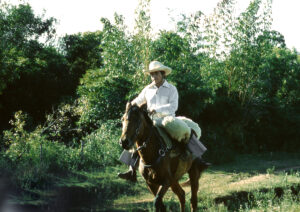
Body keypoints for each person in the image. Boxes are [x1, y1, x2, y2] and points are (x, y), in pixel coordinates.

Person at [118, 61, 210, 182]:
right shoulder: (148, 89)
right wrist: (130, 106)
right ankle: (131, 170)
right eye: (152, 74)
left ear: (162, 74)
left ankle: (197, 158)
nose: (154, 77)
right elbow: (139, 100)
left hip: (167, 119)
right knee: (134, 132)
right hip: (151, 121)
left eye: (156, 74)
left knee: (183, 130)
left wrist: (156, 110)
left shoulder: (171, 89)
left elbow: (173, 107)